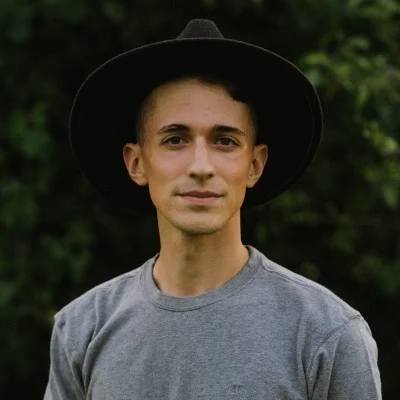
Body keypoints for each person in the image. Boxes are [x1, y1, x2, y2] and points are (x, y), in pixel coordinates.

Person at [44, 19, 382, 399]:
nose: (201, 166)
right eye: (175, 139)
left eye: (224, 141)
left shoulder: (326, 333)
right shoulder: (82, 329)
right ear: (136, 162)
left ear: (254, 164)